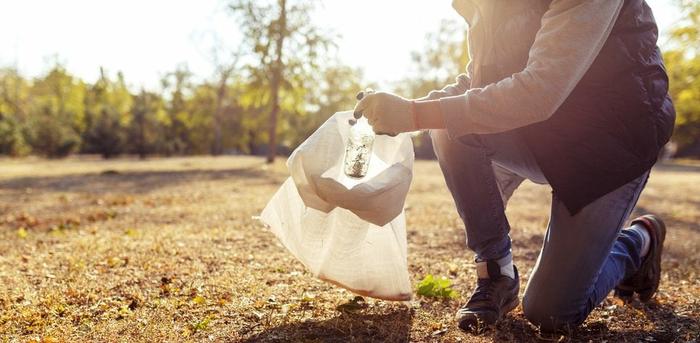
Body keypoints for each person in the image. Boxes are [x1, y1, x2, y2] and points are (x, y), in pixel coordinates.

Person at [353, 0, 676, 334]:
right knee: (449, 125)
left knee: (551, 313)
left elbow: (541, 91)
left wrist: (416, 114)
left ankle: (638, 241)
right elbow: (480, 77)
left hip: (611, 145)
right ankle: (497, 273)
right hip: (544, 133)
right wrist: (407, 110)